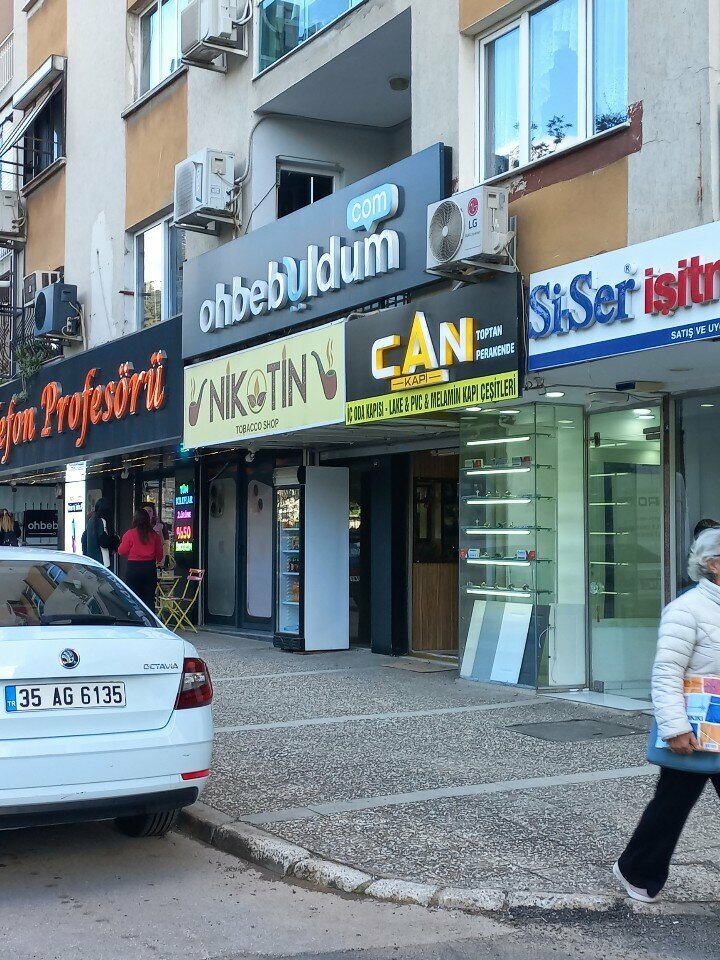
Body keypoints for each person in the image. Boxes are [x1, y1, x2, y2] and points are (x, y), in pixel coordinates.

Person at [613, 527, 720, 903]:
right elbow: (666, 671)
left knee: (672, 803)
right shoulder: (687, 609)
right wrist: (675, 727)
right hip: (695, 727)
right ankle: (636, 870)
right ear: (713, 564)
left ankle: (636, 868)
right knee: (672, 804)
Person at [118, 510, 163, 612]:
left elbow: (121, 551)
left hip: (133, 568)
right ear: (148, 520)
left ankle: (136, 622)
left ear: (135, 519)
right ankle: (149, 623)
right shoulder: (154, 535)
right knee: (149, 598)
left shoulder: (130, 534)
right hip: (149, 568)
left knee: (133, 598)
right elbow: (160, 555)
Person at [81, 498, 120, 567]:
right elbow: (104, 543)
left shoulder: (91, 520)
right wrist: (116, 539)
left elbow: (84, 538)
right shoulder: (102, 521)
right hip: (102, 560)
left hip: (91, 560)